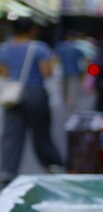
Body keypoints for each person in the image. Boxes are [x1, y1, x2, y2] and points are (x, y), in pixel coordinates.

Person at [0, 17, 64, 183]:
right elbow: (46, 73)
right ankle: (51, 164)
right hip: (35, 92)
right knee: (41, 132)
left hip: (13, 93)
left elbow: (4, 73)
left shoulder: (4, 49)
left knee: (12, 133)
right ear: (32, 30)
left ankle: (8, 170)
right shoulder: (39, 48)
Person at [54, 31, 86, 108]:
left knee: (64, 87)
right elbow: (84, 60)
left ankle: (66, 100)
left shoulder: (61, 46)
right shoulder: (79, 47)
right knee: (73, 86)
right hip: (75, 69)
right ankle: (70, 101)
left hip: (63, 69)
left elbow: (56, 58)